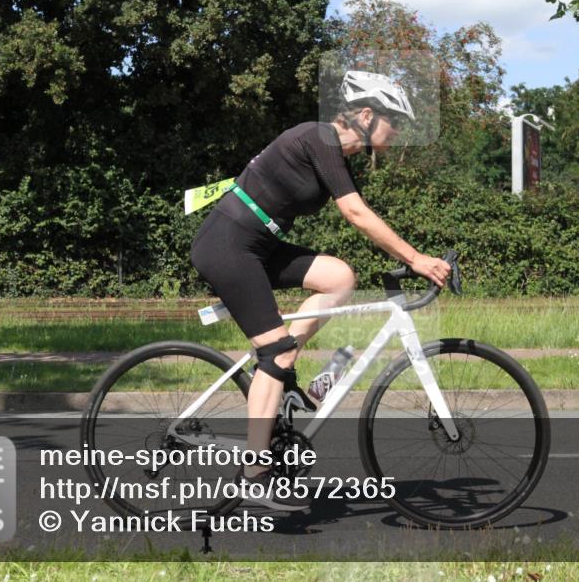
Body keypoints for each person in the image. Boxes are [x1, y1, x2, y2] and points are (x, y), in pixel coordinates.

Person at [190, 71, 451, 511]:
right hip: (228, 245)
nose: (399, 131)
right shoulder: (319, 137)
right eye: (395, 120)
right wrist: (415, 258)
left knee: (340, 277)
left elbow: (359, 211)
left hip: (258, 245)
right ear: (367, 115)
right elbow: (357, 213)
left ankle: (282, 379)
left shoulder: (337, 157)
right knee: (277, 352)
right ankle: (253, 474)